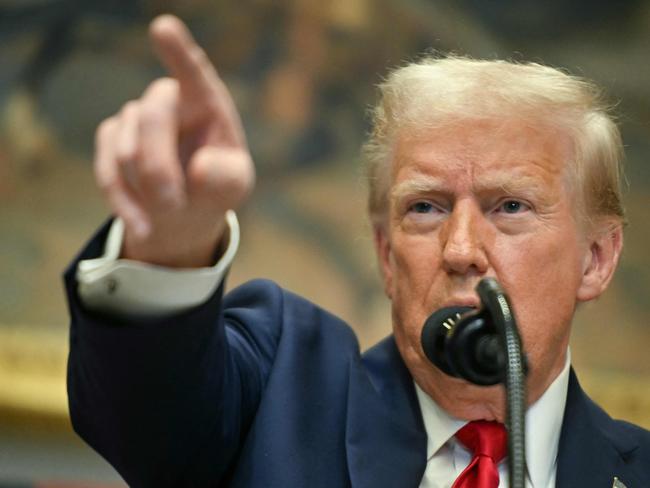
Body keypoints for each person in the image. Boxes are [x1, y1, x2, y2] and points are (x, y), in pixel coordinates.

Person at [65, 14, 650, 488]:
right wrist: (169, 247)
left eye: (511, 207)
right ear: (387, 255)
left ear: (596, 259)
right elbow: (147, 408)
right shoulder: (278, 389)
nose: (462, 249)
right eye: (426, 208)